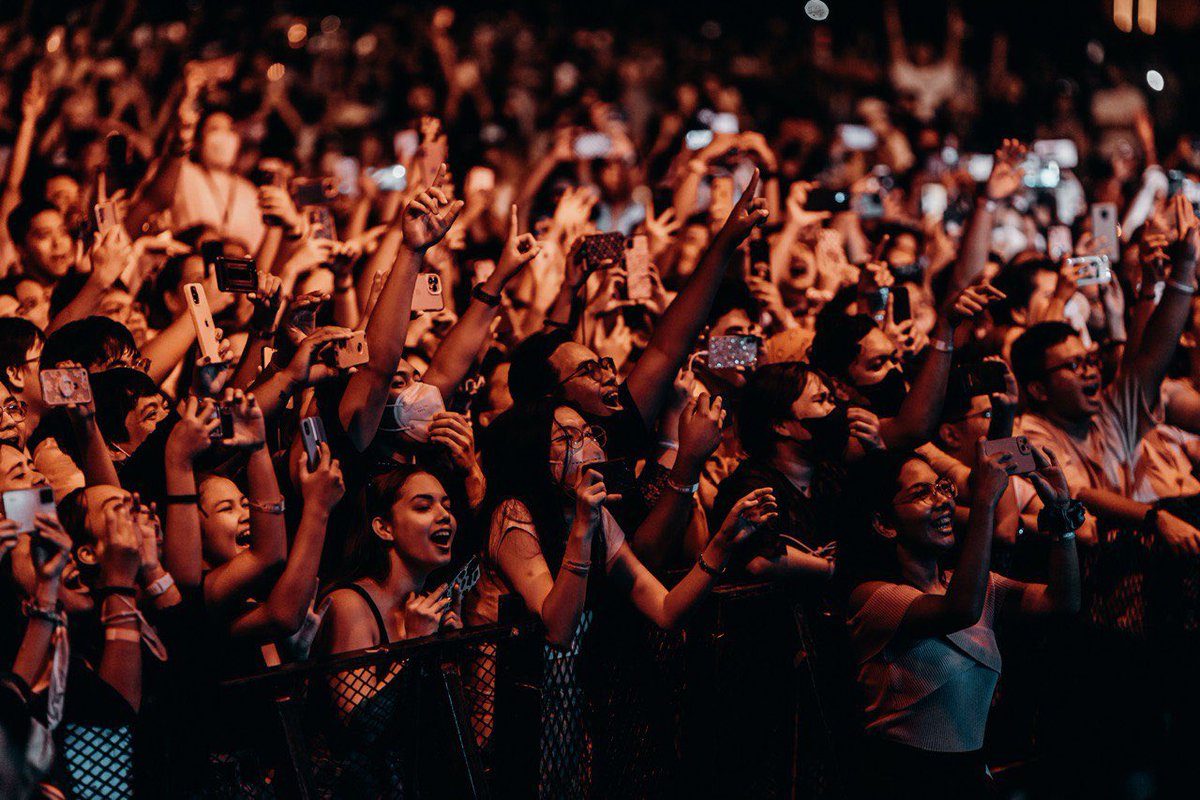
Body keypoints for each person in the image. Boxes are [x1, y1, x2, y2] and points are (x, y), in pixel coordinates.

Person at [841, 443, 1080, 799]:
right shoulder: (873, 598)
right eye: (922, 493)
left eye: (943, 487)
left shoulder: (974, 587)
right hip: (904, 782)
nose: (942, 501)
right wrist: (985, 502)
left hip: (968, 777)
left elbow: (1061, 601)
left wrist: (1062, 518)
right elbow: (960, 611)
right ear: (884, 524)